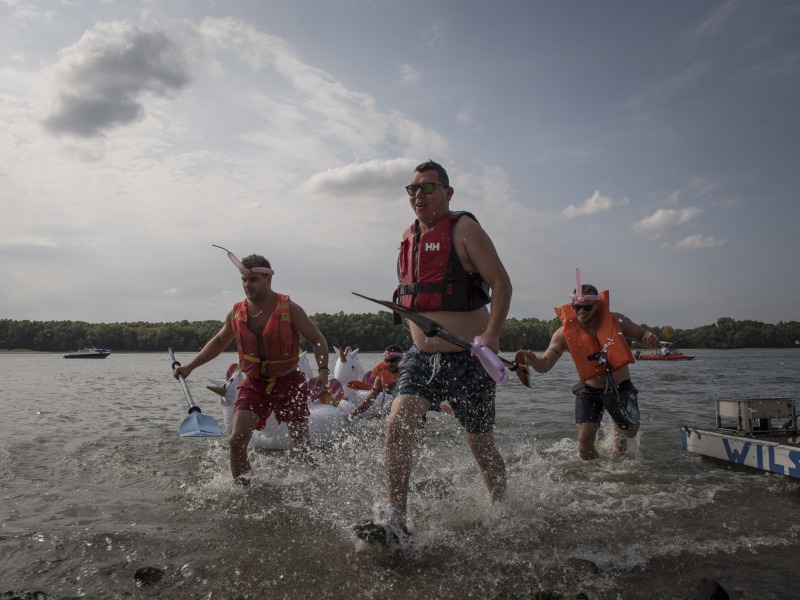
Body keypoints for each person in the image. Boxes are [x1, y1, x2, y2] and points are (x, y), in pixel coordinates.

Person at [355, 160, 512, 547]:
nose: (418, 195)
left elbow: (501, 283)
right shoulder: (407, 238)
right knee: (398, 422)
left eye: (427, 187)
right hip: (421, 358)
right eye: (412, 189)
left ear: (448, 192)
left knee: (480, 444)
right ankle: (396, 519)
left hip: (469, 359)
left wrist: (492, 333)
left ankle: (503, 508)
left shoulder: (465, 229)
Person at [173, 249, 330, 483]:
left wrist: (323, 371)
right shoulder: (236, 312)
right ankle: (244, 493)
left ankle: (313, 486)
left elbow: (318, 339)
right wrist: (190, 366)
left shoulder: (289, 309)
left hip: (289, 382)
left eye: (253, 280)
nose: (248, 285)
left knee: (302, 446)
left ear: (268, 279)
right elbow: (218, 342)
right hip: (255, 383)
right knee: (235, 442)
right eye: (244, 280)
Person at [518, 282, 660, 460]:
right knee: (584, 443)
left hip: (620, 387)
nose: (581, 312)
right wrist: (534, 361)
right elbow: (544, 365)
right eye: (577, 307)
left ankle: (622, 433)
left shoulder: (616, 320)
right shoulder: (562, 334)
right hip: (589, 390)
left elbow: (641, 333)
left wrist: (649, 336)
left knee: (628, 434)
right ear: (572, 306)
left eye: (586, 307)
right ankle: (598, 479)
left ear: (597, 305)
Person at [349, 344, 404, 418]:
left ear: (401, 359)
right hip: (394, 400)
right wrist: (353, 414)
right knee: (385, 412)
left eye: (393, 360)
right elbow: (370, 399)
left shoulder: (408, 372)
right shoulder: (381, 375)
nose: (389, 363)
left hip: (408, 400)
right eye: (387, 360)